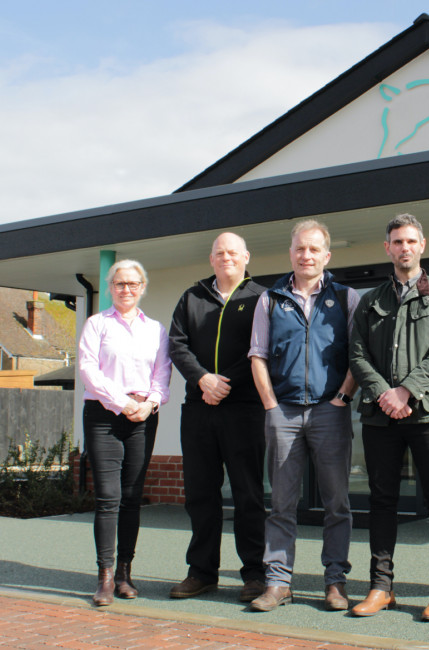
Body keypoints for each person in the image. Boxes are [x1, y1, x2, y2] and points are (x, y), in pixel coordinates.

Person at [349, 214, 429, 621]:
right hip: (382, 418)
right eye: (397, 241)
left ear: (422, 245)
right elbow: (357, 354)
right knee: (381, 501)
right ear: (387, 248)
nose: (404, 248)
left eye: (411, 241)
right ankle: (381, 587)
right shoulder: (371, 301)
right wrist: (384, 394)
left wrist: (406, 390)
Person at [247, 219, 359, 612]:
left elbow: (357, 357)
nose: (305, 255)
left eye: (314, 249)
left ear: (326, 255)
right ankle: (278, 582)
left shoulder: (347, 298)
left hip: (331, 411)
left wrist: (343, 397)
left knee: (337, 504)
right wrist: (271, 406)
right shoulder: (270, 299)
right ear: (290, 252)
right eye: (299, 248)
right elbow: (257, 355)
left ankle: (335, 582)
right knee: (281, 503)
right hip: (285, 413)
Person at [168, 232, 267, 602]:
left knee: (248, 494)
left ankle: (255, 574)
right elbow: (177, 345)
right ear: (211, 259)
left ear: (246, 257)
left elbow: (265, 349)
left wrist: (226, 383)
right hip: (198, 410)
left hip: (244, 409)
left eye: (232, 252)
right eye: (219, 253)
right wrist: (203, 379)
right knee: (200, 494)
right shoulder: (191, 298)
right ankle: (202, 572)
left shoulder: (262, 299)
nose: (226, 257)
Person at [77, 259, 171, 607]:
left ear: (143, 287)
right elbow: (89, 370)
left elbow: (162, 372)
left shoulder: (156, 329)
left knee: (132, 497)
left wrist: (149, 404)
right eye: (119, 284)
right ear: (110, 287)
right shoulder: (96, 324)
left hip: (144, 417)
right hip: (103, 416)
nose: (126, 289)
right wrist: (122, 403)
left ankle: (125, 575)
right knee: (107, 497)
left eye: (133, 284)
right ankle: (104, 575)